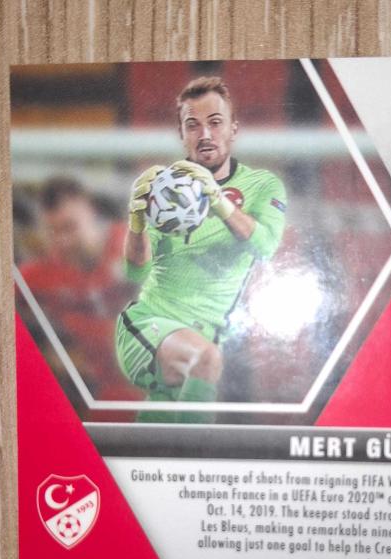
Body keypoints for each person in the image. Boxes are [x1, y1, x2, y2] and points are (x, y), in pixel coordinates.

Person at [116, 76, 287, 422]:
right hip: (148, 324)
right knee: (205, 359)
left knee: (156, 436)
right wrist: (136, 219)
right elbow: (135, 271)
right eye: (193, 125)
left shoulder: (262, 185)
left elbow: (265, 247)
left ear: (233, 129)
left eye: (215, 122)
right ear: (181, 134)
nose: (205, 134)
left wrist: (218, 201)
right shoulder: (164, 192)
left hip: (201, 337)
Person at [19, 177, 137, 406]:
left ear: (90, 212)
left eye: (69, 227)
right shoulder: (37, 276)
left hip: (148, 386)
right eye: (53, 231)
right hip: (89, 397)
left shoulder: (136, 247)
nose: (63, 241)